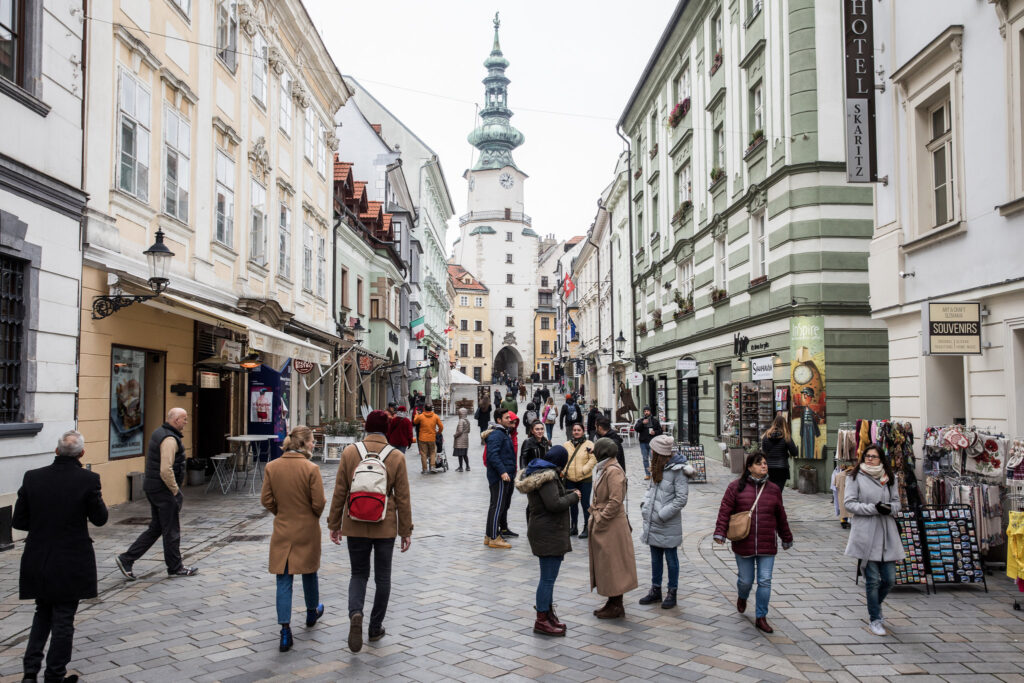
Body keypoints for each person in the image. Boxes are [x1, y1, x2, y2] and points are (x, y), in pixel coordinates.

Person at [14, 430, 108, 683]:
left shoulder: (33, 478)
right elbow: (100, 519)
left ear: (56, 451)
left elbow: (19, 520)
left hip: (39, 557)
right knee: (64, 618)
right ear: (82, 453)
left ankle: (30, 672)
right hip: (71, 559)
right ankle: (55, 674)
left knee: (42, 613)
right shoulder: (88, 479)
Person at [328, 410, 413, 652]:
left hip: (354, 522)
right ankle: (375, 628)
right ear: (387, 429)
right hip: (384, 525)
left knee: (358, 574)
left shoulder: (350, 452)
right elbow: (404, 498)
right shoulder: (396, 456)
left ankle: (356, 613)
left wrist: (335, 524)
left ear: (365, 427)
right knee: (382, 578)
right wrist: (405, 530)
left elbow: (340, 491)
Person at [261, 425, 326, 652]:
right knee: (309, 570)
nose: (313, 444)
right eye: (311, 441)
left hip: (283, 528)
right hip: (307, 528)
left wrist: (281, 513)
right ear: (304, 443)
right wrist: (310, 515)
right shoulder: (311, 469)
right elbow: (319, 503)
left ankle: (285, 631)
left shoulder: (272, 467)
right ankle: (311, 611)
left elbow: (266, 500)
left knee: (284, 578)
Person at [713, 451, 793, 634]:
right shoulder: (736, 487)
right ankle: (742, 596)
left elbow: (781, 516)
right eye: (759, 463)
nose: (764, 466)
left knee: (765, 580)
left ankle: (761, 617)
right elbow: (725, 511)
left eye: (765, 463)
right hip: (744, 542)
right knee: (746, 580)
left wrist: (786, 537)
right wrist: (720, 532)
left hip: (767, 544)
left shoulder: (773, 489)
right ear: (749, 467)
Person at [115, 407, 198, 580]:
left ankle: (127, 559)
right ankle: (175, 567)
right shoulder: (169, 439)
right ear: (175, 420)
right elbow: (165, 470)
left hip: (154, 487)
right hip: (163, 489)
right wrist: (175, 491)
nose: (186, 422)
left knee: (157, 528)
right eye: (184, 419)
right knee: (171, 529)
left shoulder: (160, 432)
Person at [515, 444, 579, 636]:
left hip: (546, 530)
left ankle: (548, 615)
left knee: (548, 578)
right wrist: (574, 497)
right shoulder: (547, 478)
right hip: (548, 532)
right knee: (547, 579)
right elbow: (554, 504)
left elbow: (552, 498)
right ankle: (542, 620)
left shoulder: (541, 473)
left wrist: (569, 493)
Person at [844, 445, 903, 636]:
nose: (869, 459)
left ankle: (874, 606)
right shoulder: (855, 477)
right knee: (872, 581)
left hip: (887, 533)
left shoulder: (889, 477)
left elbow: (897, 503)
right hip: (866, 534)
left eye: (874, 457)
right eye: (867, 456)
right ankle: (875, 619)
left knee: (889, 579)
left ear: (881, 459)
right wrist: (874, 508)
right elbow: (849, 503)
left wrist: (889, 508)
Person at [588, 437, 638, 619]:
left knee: (614, 564)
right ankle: (612, 600)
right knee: (608, 564)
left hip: (612, 526)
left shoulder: (613, 471)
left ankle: (617, 604)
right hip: (606, 524)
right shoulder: (605, 468)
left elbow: (616, 500)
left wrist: (601, 518)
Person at [638, 435, 690, 610]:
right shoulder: (657, 467)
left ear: (660, 452)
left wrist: (662, 514)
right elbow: (651, 489)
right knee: (655, 558)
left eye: (653, 450)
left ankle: (672, 591)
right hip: (653, 520)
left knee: (671, 558)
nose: (650, 452)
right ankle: (656, 589)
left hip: (667, 522)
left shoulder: (678, 471)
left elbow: (681, 499)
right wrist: (645, 505)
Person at [484, 409, 517, 549]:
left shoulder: (503, 433)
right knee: (497, 506)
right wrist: (503, 471)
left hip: (504, 475)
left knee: (496, 506)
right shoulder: (497, 434)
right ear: (499, 420)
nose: (510, 419)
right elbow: (492, 455)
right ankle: (493, 537)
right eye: (507, 417)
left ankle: (489, 535)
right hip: (500, 477)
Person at [562, 423, 596, 539]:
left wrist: (583, 470)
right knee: (572, 504)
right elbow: (562, 458)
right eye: (574, 430)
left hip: (584, 479)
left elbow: (593, 459)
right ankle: (574, 527)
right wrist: (564, 470)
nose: (576, 432)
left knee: (585, 503)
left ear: (583, 431)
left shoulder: (589, 444)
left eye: (579, 430)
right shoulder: (566, 444)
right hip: (570, 478)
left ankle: (587, 527)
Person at [761, 413, 797, 492]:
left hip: (769, 467)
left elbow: (763, 453)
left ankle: (770, 504)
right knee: (778, 491)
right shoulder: (786, 437)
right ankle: (776, 503)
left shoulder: (765, 436)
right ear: (784, 425)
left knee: (769, 491)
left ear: (774, 423)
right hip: (782, 468)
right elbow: (794, 452)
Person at [412, 402, 444, 474]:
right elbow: (441, 426)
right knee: (433, 452)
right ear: (431, 409)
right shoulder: (435, 416)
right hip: (432, 438)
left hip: (422, 438)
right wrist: (438, 432)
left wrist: (416, 414)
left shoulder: (421, 416)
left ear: (424, 409)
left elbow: (415, 422)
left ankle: (425, 469)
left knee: (423, 453)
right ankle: (432, 466)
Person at [635, 406, 663, 480]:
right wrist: (642, 423)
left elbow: (660, 431)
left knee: (653, 459)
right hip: (643, 443)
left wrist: (655, 432)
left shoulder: (655, 421)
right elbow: (636, 429)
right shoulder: (641, 420)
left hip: (652, 442)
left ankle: (654, 473)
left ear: (650, 412)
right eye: (644, 411)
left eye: (647, 411)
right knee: (645, 459)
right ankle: (647, 474)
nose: (646, 412)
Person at [453, 408, 471, 472]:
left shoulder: (461, 420)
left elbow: (460, 431)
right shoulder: (467, 421)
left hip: (460, 440)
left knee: (460, 455)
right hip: (466, 439)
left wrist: (455, 435)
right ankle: (467, 466)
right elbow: (468, 430)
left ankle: (460, 467)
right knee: (465, 454)